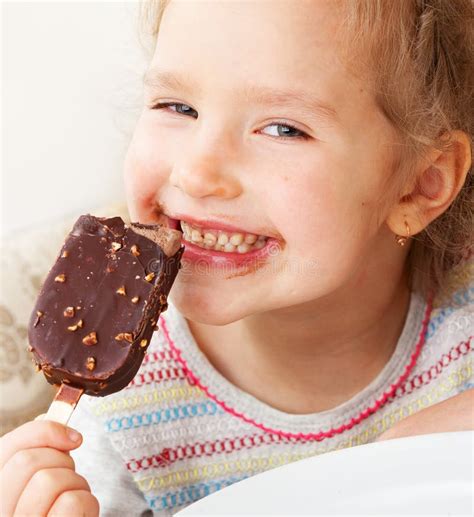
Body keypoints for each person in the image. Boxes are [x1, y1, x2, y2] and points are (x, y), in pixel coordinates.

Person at [1, 0, 473, 515]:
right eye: (177, 107)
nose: (198, 173)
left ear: (418, 186)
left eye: (283, 129)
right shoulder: (113, 438)